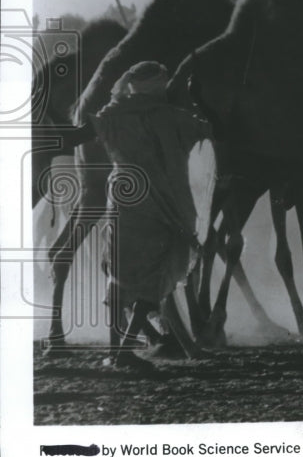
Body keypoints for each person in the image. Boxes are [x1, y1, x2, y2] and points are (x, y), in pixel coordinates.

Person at [63, 61, 212, 368]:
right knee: (159, 271)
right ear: (159, 86)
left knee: (119, 272)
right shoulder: (174, 118)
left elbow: (76, 137)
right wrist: (199, 98)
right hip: (163, 205)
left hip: (123, 197)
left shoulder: (111, 115)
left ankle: (117, 350)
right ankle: (124, 349)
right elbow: (212, 129)